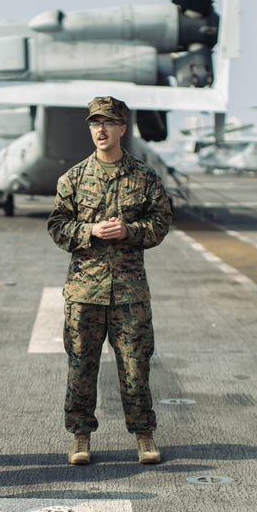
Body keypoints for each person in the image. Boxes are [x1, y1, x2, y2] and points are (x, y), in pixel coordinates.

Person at [46, 96, 172, 466]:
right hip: (85, 292)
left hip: (130, 293)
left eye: (107, 123)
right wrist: (90, 231)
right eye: (94, 124)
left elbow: (161, 223)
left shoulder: (144, 177)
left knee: (136, 367)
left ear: (122, 128)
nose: (100, 130)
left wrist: (129, 231)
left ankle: (144, 435)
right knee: (81, 367)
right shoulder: (74, 177)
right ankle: (80, 437)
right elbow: (57, 226)